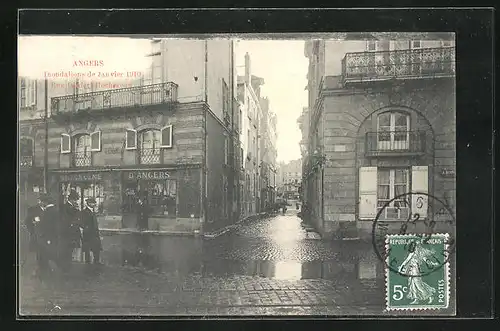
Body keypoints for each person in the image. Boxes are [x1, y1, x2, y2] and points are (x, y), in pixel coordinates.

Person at [32, 194, 59, 278]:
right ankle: (45, 272)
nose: (40, 203)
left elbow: (47, 226)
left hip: (46, 238)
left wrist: (37, 223)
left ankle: (47, 273)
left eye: (41, 201)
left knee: (45, 256)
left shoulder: (49, 211)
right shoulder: (54, 210)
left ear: (45, 202)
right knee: (45, 255)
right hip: (50, 237)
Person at [59, 189, 82, 271]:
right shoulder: (66, 207)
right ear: (71, 199)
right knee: (67, 250)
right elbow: (68, 220)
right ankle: (65, 267)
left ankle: (67, 266)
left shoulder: (72, 207)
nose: (76, 201)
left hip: (71, 232)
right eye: (75, 200)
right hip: (68, 232)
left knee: (69, 250)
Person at [80, 197, 103, 265]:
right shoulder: (84, 212)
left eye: (94, 202)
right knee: (88, 249)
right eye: (93, 203)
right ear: (89, 203)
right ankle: (88, 263)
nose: (94, 204)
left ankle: (96, 262)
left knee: (96, 248)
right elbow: (81, 222)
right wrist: (86, 228)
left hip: (95, 233)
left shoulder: (93, 211)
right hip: (88, 233)